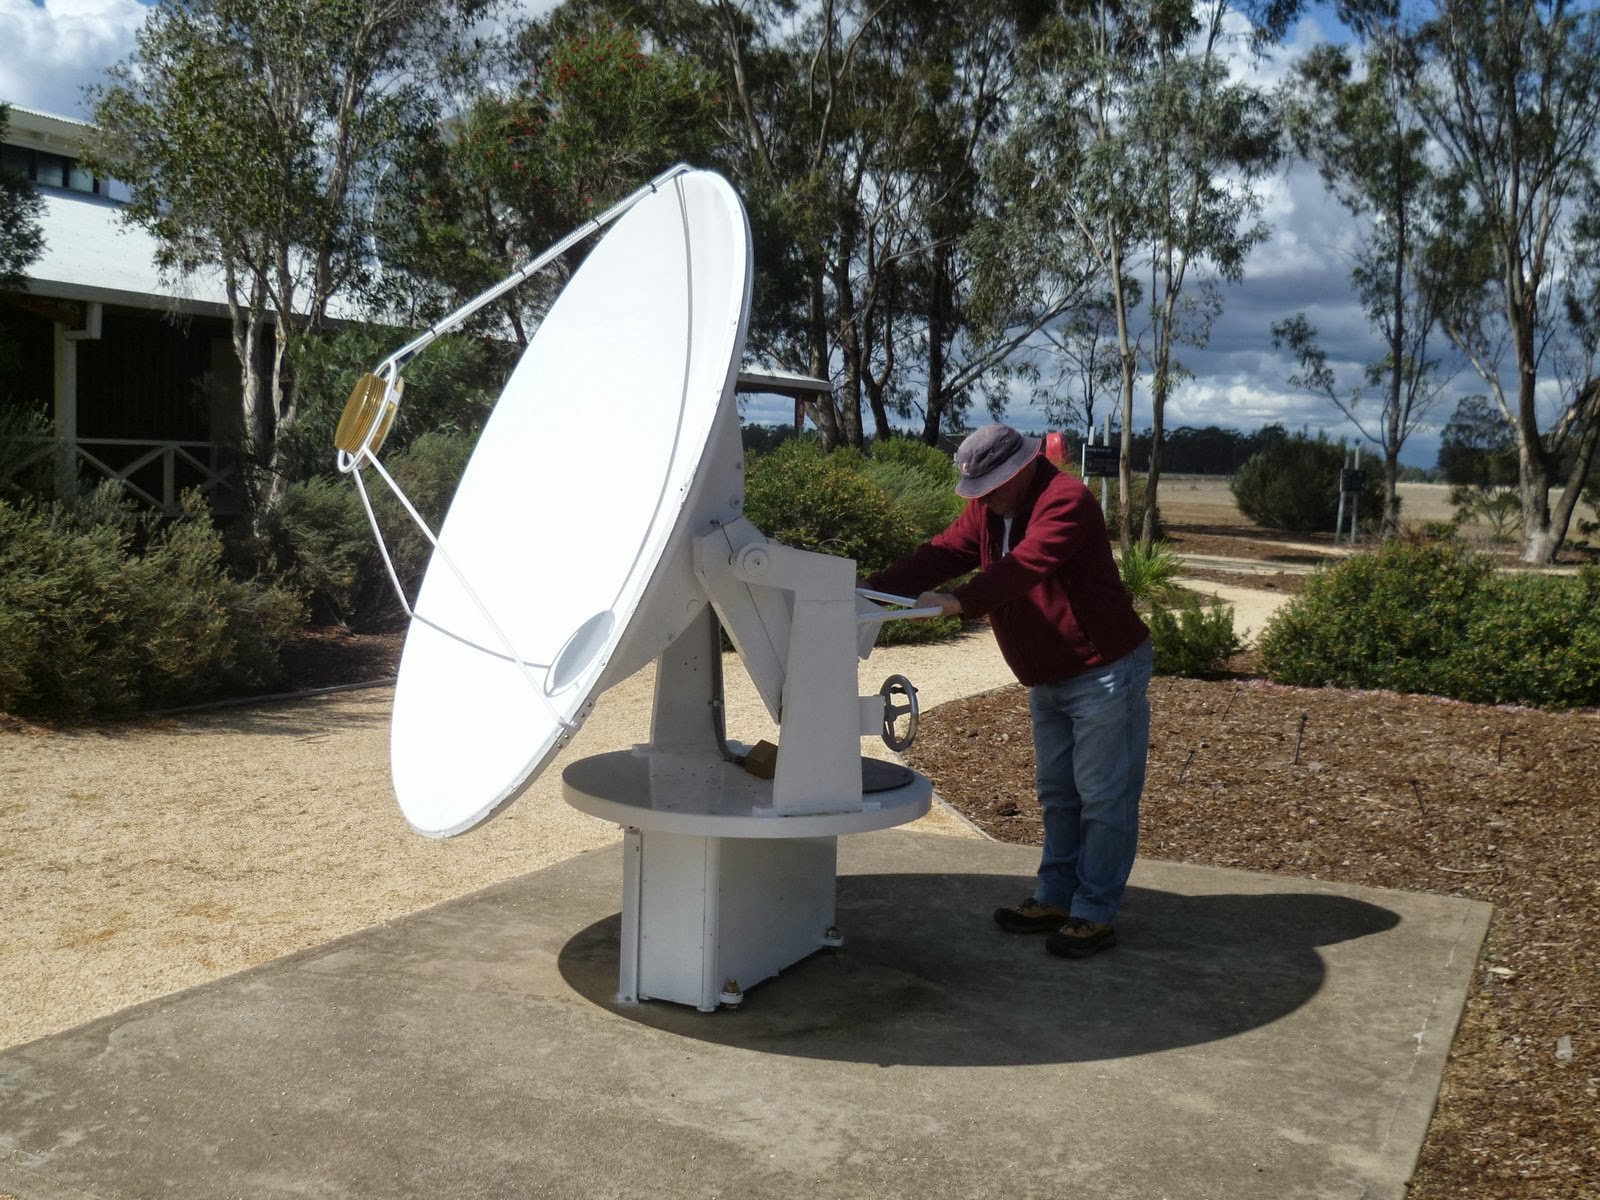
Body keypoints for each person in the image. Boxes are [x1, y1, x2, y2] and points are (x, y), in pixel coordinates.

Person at [864, 424, 1152, 959]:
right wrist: (871, 592)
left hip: (1102, 669)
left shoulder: (1067, 500)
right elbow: (942, 553)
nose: (986, 500)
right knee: (1059, 793)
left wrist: (961, 602)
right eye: (980, 492)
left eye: (993, 487)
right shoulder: (991, 509)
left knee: (1104, 796)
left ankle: (1093, 910)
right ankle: (1055, 895)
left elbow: (1026, 566)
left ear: (1021, 469)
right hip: (1049, 673)